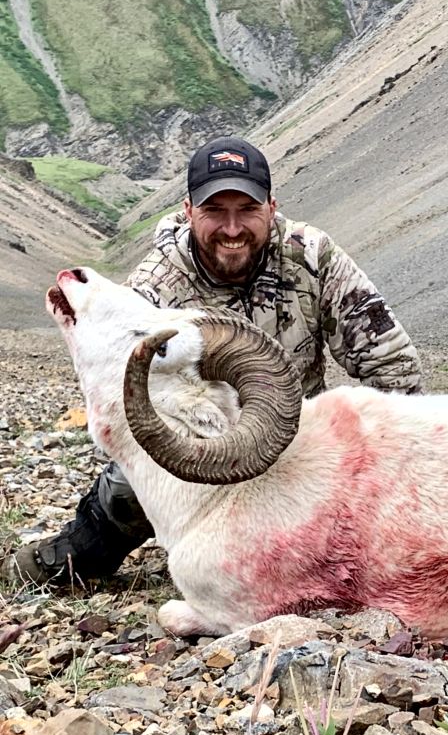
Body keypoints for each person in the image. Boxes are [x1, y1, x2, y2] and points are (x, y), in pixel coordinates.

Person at [4, 136, 421, 585]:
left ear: (271, 208)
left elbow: (392, 365)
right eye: (215, 211)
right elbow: (127, 398)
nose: (232, 228)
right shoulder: (152, 289)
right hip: (198, 448)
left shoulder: (312, 257)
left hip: (300, 440)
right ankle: (78, 555)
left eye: (248, 209)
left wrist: (388, 467)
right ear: (188, 211)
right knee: (130, 490)